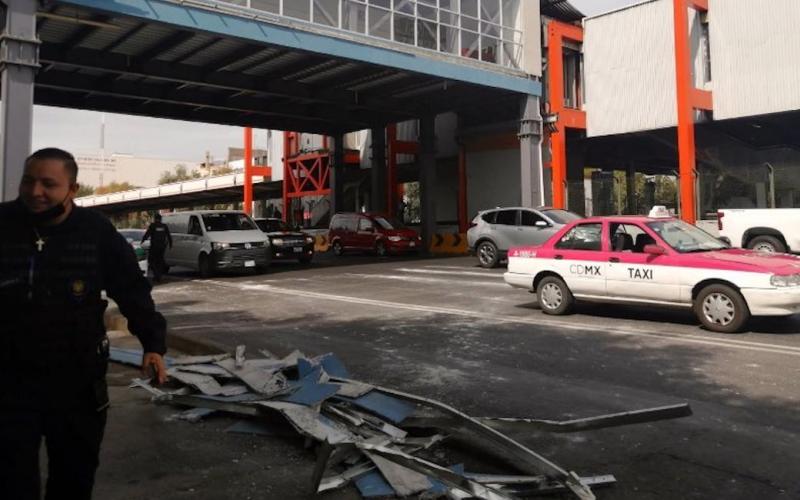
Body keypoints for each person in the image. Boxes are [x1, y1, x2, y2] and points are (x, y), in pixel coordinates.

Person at [0, 148, 168, 500]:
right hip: (10, 383)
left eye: (49, 184)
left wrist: (153, 343)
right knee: (12, 481)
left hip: (76, 382)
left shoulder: (95, 233)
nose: (35, 192)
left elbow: (132, 290)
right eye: (29, 181)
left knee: (73, 480)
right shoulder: (3, 224)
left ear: (72, 189)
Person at [141, 213, 172, 282]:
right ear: (160, 219)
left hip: (154, 247)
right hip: (162, 247)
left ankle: (156, 275)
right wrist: (170, 244)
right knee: (160, 261)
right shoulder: (164, 226)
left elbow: (147, 234)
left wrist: (142, 241)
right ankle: (159, 275)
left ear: (155, 219)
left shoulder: (153, 226)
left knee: (151, 261)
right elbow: (169, 236)